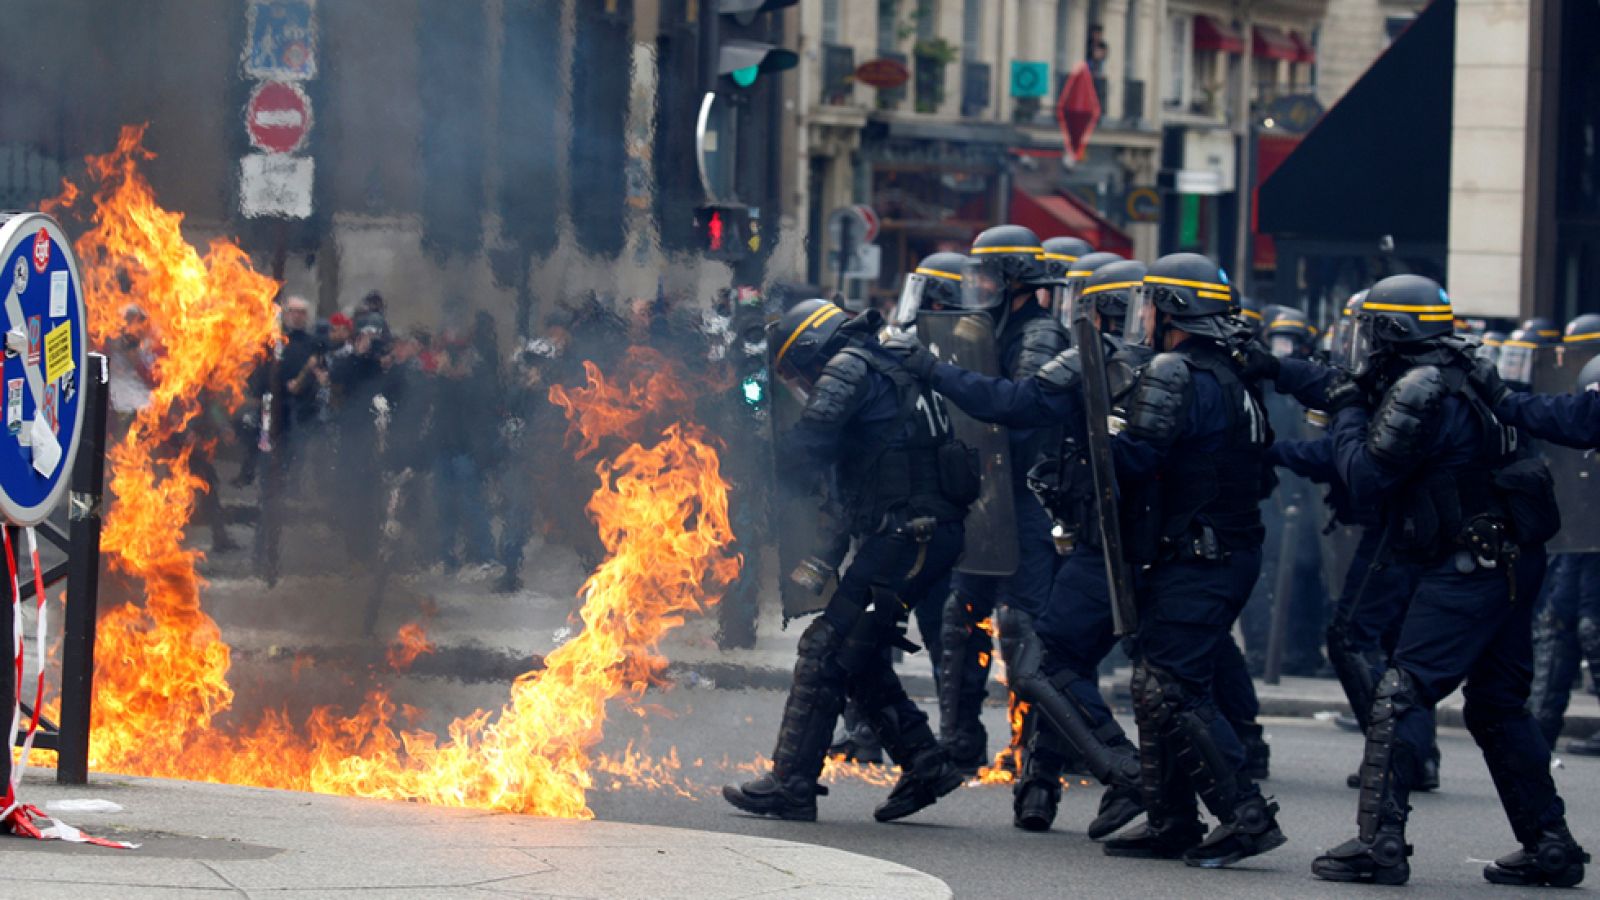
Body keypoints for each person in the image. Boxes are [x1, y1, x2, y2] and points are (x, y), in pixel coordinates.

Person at [888, 253, 1285, 867]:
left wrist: (1079, 459)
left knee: (1154, 683)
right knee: (1150, 683)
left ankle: (1236, 811)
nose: (1141, 317)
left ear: (1172, 310)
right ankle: (1170, 817)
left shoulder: (1169, 371)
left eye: (1150, 305)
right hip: (1178, 551)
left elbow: (1129, 457)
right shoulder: (1226, 372)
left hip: (1179, 553)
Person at [1306, 275, 1586, 887]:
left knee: (1401, 692)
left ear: (1391, 331)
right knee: (1496, 704)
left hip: (1470, 563)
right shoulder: (1465, 374)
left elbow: (1366, 477)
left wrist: (1346, 413)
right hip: (1508, 558)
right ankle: (1551, 845)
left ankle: (1379, 844)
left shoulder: (1421, 385)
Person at [723, 298, 973, 823]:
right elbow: (852, 482)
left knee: (826, 646)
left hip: (907, 536)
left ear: (813, 350)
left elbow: (807, 446)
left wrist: (747, 457)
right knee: (856, 651)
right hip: (919, 534)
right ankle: (925, 763)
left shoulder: (849, 367)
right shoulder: (886, 363)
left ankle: (792, 783)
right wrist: (821, 556)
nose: (801, 385)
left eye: (796, 372)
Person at [932, 226, 1069, 780]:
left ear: (1016, 280)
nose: (980, 285)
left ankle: (1031, 754)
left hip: (1029, 496)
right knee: (960, 618)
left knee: (1019, 626)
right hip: (987, 496)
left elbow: (1017, 407)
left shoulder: (1040, 333)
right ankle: (958, 742)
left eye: (989, 275)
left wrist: (942, 373)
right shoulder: (986, 326)